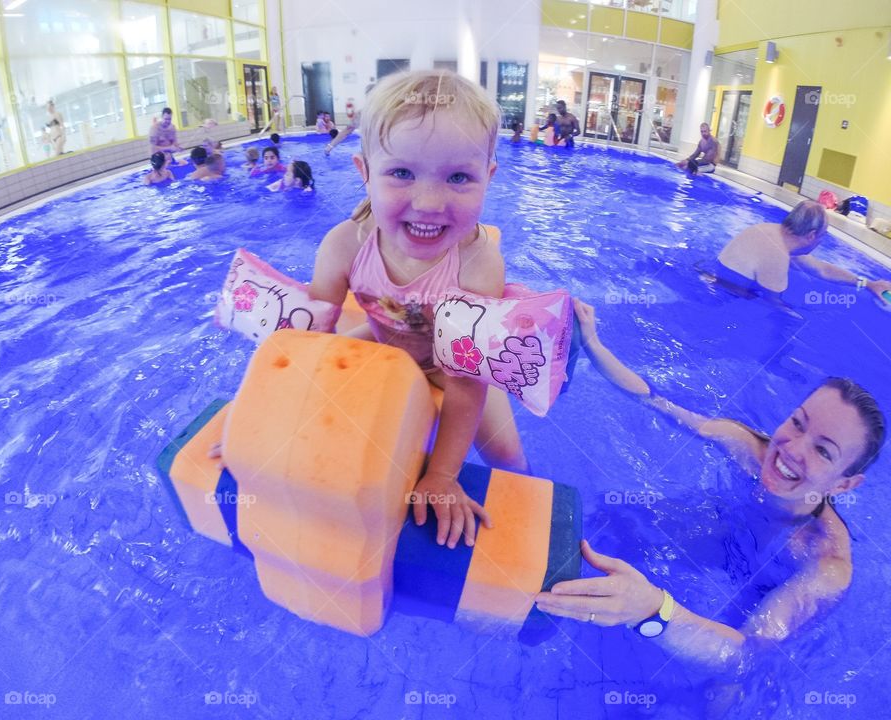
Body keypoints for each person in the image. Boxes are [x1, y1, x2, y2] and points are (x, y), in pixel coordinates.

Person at [536, 306, 885, 673]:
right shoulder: (745, 447)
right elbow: (652, 399)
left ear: (845, 484)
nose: (792, 449)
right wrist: (592, 342)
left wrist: (653, 609)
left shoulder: (824, 566)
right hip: (724, 535)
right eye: (797, 423)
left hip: (764, 589)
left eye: (823, 451)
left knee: (719, 692)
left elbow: (746, 655)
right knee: (614, 521)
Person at [309, 70, 527, 550]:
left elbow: (468, 383)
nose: (429, 203)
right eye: (402, 173)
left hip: (453, 371)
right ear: (364, 171)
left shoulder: (477, 264)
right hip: (383, 335)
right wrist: (268, 413)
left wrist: (444, 474)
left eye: (458, 177)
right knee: (316, 368)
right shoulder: (344, 246)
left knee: (509, 456)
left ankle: (523, 515)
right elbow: (305, 339)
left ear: (488, 178)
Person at [715, 200, 891, 301]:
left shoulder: (776, 233)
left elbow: (822, 269)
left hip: (717, 283)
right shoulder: (777, 254)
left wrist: (868, 283)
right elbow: (772, 305)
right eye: (823, 236)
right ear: (811, 236)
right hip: (723, 299)